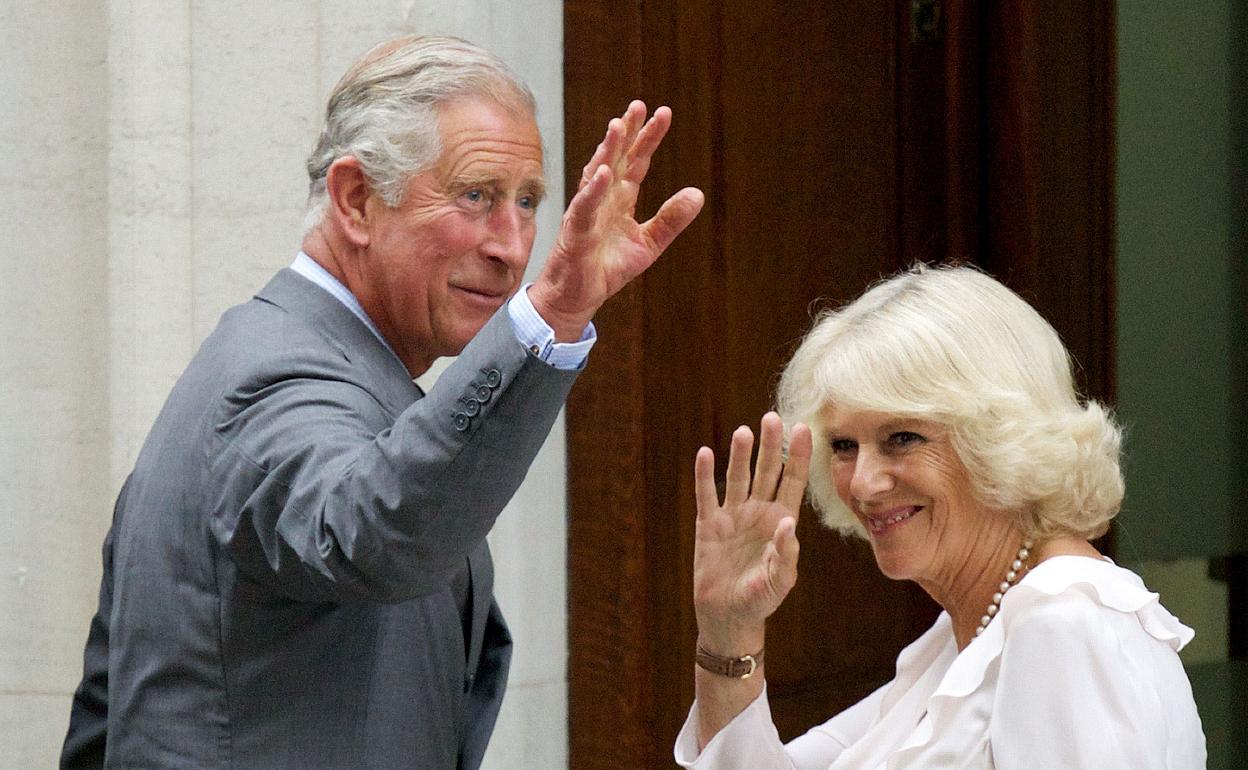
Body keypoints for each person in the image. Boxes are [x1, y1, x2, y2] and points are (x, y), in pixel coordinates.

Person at [61, 35, 703, 769]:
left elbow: (105, 718)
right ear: (356, 200)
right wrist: (549, 312)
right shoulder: (273, 380)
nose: (512, 246)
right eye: (477, 196)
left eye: (527, 202)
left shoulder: (307, 361)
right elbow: (374, 531)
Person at [677, 264, 1206, 769]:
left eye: (902, 438)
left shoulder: (1064, 624)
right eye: (843, 445)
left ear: (998, 437)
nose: (862, 482)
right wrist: (729, 630)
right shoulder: (965, 635)